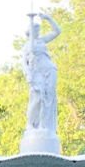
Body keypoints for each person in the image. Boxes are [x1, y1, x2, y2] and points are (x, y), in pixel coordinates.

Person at [23, 12, 60, 140]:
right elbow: (24, 63)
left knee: (49, 97)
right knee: (36, 98)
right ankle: (31, 124)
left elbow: (57, 31)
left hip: (50, 70)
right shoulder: (27, 46)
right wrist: (28, 74)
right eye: (35, 29)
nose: (38, 32)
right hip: (37, 74)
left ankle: (46, 126)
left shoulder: (42, 41)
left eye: (38, 29)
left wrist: (48, 18)